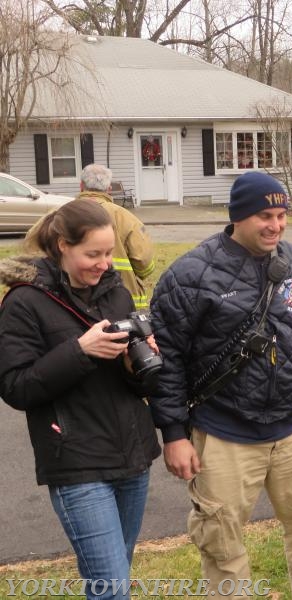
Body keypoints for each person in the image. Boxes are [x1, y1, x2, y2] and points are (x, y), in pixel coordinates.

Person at [148, 171, 292, 599]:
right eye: (264, 216)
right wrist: (175, 435)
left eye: (281, 215)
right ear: (237, 216)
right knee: (222, 549)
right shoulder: (189, 275)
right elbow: (168, 361)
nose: (276, 225)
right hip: (223, 433)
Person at [0, 198, 161, 600]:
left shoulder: (115, 294)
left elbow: (138, 387)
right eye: (93, 254)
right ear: (61, 245)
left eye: (108, 253)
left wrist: (138, 363)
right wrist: (80, 350)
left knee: (115, 577)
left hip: (132, 457)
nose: (105, 263)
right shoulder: (23, 302)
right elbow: (16, 387)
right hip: (77, 463)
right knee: (111, 589)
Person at [26, 164, 155, 310]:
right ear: (109, 189)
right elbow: (145, 265)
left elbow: (33, 254)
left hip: (67, 302)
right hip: (121, 302)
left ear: (81, 186)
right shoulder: (126, 218)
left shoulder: (58, 215)